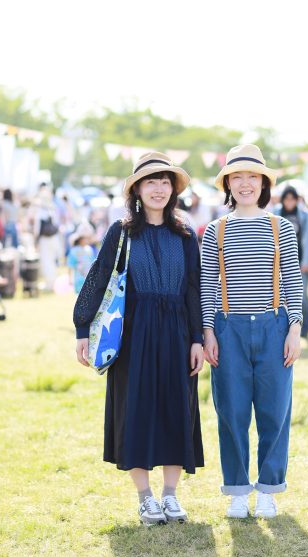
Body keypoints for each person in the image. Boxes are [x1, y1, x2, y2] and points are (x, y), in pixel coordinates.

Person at [73, 152, 204, 526]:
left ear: (173, 189)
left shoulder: (184, 234)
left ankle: (171, 495)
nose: (158, 189)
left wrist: (197, 337)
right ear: (137, 189)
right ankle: (145, 497)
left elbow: (194, 290)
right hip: (133, 333)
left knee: (177, 408)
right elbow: (99, 278)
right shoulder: (122, 231)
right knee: (136, 408)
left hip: (178, 332)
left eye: (165, 182)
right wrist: (83, 327)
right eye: (151, 182)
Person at [201, 144, 303, 520]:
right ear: (228, 184)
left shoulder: (281, 227)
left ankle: (269, 490)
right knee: (232, 411)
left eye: (252, 177)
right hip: (230, 329)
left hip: (275, 326)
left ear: (264, 183)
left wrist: (295, 328)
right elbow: (208, 284)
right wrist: (208, 331)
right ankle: (238, 491)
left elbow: (292, 279)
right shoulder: (217, 229)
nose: (245, 184)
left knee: (275, 411)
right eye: (237, 177)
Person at [275, 186, 308, 338]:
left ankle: (305, 327)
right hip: (279, 263)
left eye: (292, 199)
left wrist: (306, 261)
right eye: (287, 199)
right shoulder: (276, 214)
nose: (289, 202)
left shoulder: (304, 215)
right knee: (281, 296)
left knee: (302, 296)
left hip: (300, 261)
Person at [67, 222, 96, 293]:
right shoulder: (74, 251)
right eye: (85, 238)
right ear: (80, 239)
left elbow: (94, 263)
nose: (87, 240)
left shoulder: (89, 249)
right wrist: (70, 278)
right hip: (79, 279)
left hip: (89, 279)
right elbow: (70, 265)